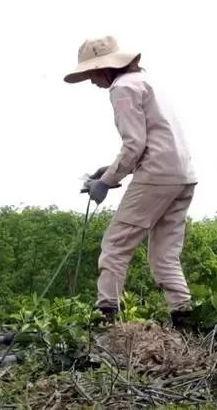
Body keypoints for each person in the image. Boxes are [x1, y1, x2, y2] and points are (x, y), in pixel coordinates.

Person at [63, 36, 198, 331]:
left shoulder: (122, 88)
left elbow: (135, 143)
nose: (91, 81)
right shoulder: (147, 83)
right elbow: (153, 138)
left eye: (91, 74)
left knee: (115, 244)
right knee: (164, 256)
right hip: (183, 175)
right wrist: (108, 170)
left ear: (105, 69)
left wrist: (107, 181)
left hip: (156, 174)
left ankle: (106, 318)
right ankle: (186, 320)